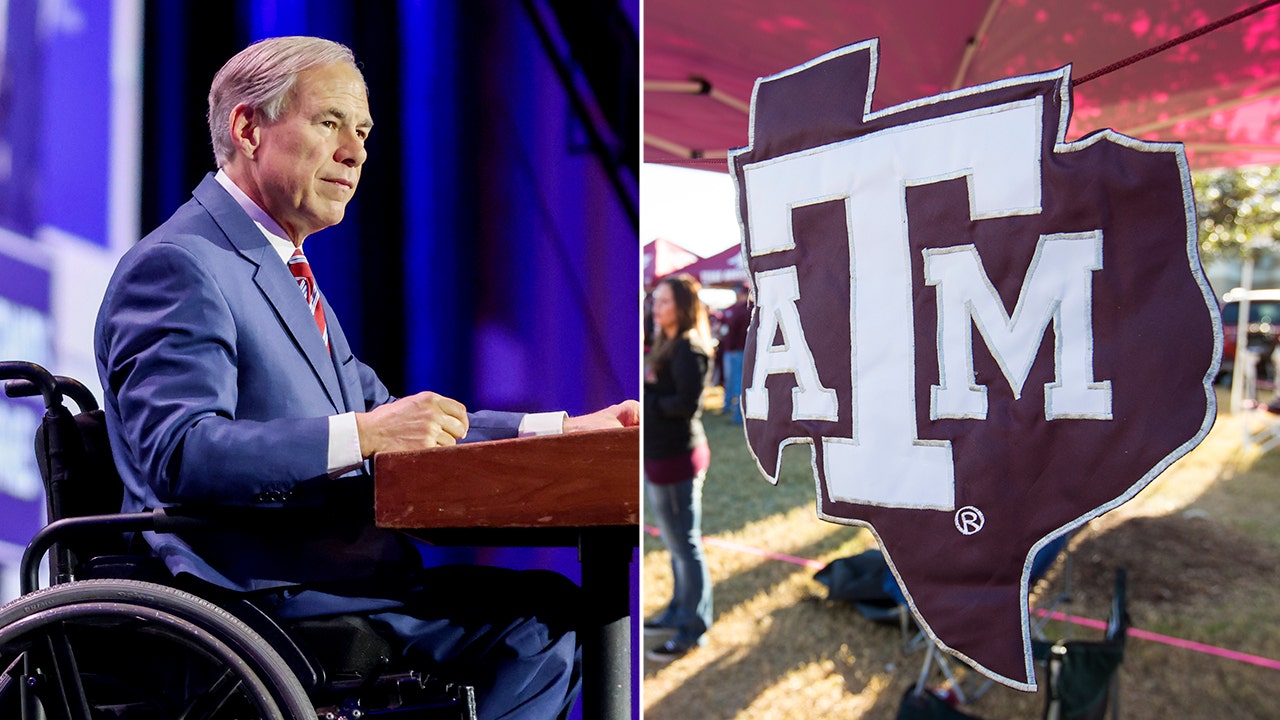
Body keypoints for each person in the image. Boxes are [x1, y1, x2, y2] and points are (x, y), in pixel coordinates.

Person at [93, 36, 637, 720]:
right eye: (330, 123)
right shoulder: (183, 263)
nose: (356, 152)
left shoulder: (280, 269)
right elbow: (180, 452)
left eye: (363, 132)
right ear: (247, 127)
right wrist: (366, 432)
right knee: (541, 630)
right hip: (250, 596)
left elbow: (405, 422)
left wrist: (563, 431)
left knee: (555, 611)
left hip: (329, 578)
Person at [643, 273, 714, 662]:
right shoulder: (666, 342)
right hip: (658, 455)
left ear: (683, 307)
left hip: (676, 458)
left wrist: (647, 400)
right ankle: (677, 610)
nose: (657, 306)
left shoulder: (690, 348)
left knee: (686, 545)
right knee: (674, 545)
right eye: (656, 300)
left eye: (665, 301)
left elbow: (687, 405)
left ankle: (693, 627)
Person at [718, 282, 750, 424]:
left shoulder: (749, 309)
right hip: (732, 350)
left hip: (740, 350)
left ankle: (738, 415)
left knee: (738, 383)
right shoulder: (735, 308)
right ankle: (730, 408)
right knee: (731, 381)